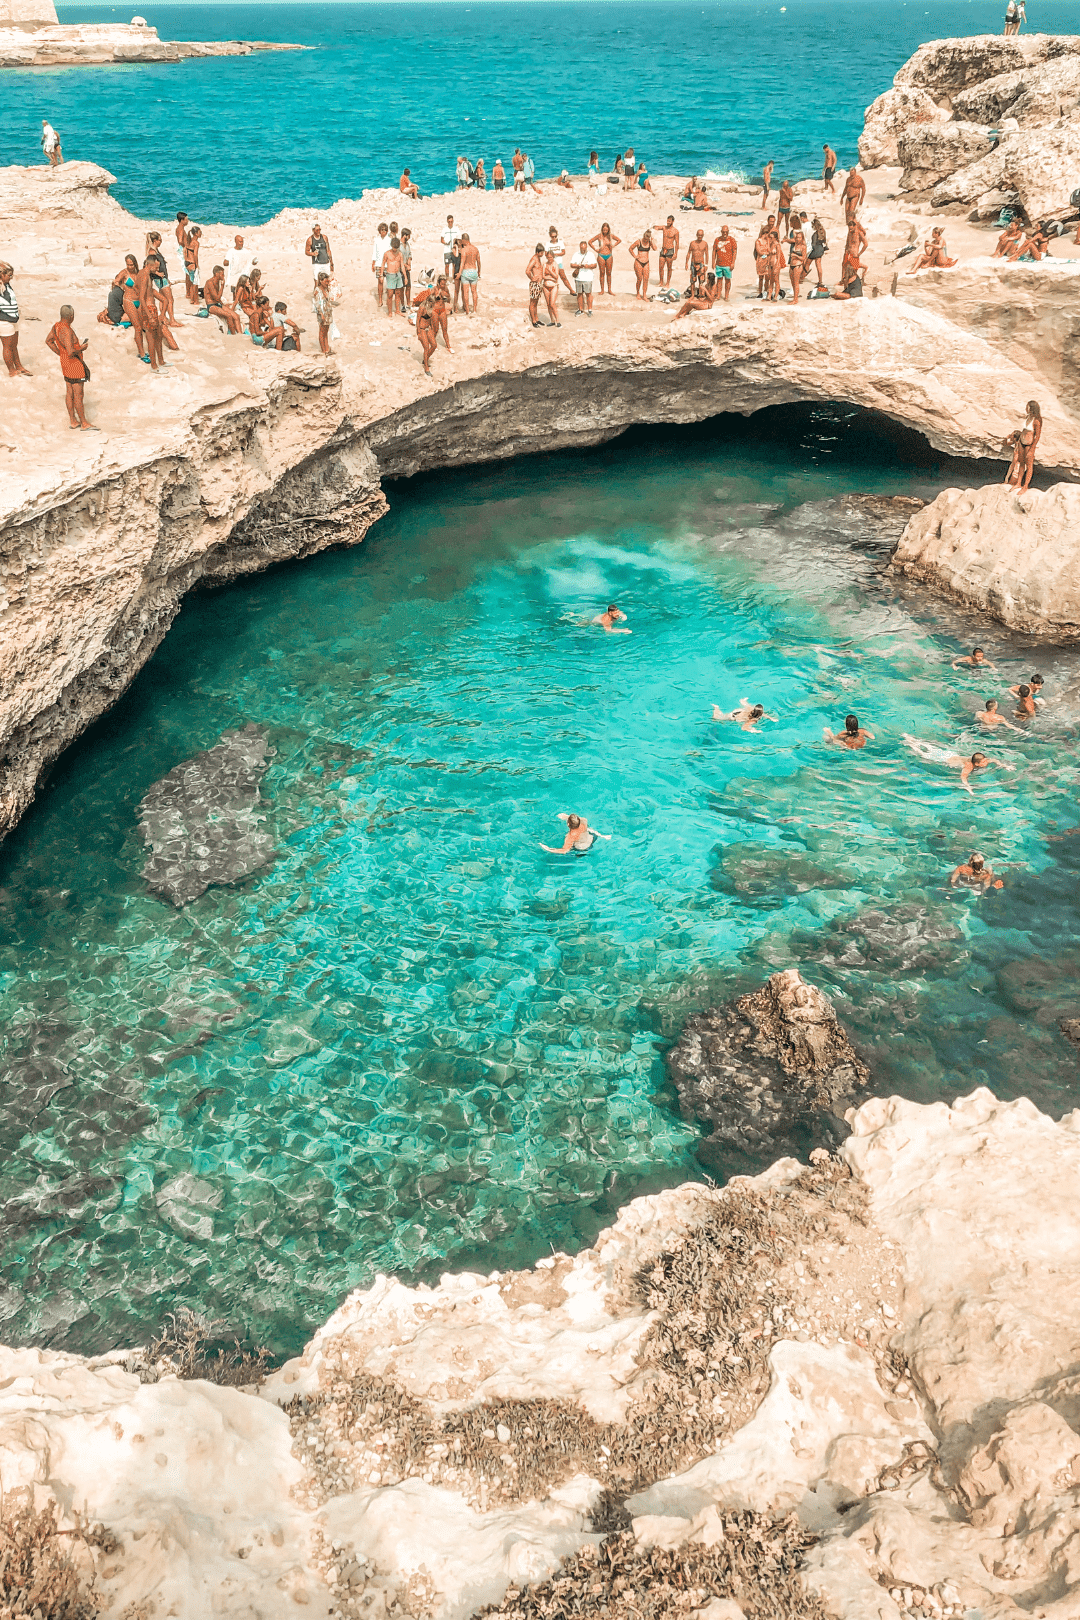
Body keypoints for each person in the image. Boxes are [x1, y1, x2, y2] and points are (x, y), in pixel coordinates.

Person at [902, 736, 1014, 793]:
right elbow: (963, 777)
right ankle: (910, 743)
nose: (986, 762)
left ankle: (912, 739)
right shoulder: (969, 766)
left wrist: (1005, 766)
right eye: (984, 762)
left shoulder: (981, 759)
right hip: (945, 760)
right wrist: (968, 788)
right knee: (923, 754)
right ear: (977, 763)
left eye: (985, 761)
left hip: (950, 754)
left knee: (932, 749)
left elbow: (994, 760)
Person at [45, 304, 95, 428]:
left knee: (69, 392)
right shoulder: (67, 330)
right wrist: (81, 348)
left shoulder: (56, 326)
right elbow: (71, 351)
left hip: (65, 364)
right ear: (71, 316)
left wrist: (59, 353)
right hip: (75, 365)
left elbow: (49, 341)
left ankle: (73, 420)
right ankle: (83, 422)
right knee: (78, 394)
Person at [0, 262, 30, 377]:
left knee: (13, 346)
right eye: (9, 275)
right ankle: (11, 371)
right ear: (2, 274)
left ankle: (19, 366)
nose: (11, 277)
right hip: (4, 321)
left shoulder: (7, 285)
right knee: (7, 346)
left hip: (13, 319)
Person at [1006, 401, 1042, 490]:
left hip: (1029, 444)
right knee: (1022, 463)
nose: (1026, 408)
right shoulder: (1028, 416)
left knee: (1029, 465)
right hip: (1022, 442)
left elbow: (1037, 436)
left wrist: (1032, 449)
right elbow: (1024, 430)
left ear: (1032, 408)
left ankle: (1025, 486)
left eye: (1028, 407)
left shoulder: (1037, 420)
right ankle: (1018, 483)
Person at [540, 812, 612, 856]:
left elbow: (564, 851)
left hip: (583, 848)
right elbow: (578, 820)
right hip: (592, 839)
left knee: (572, 851)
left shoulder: (570, 836)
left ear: (568, 824)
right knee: (589, 829)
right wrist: (567, 817)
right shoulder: (584, 821)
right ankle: (603, 836)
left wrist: (548, 849)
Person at [590, 224, 621, 295]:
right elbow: (590, 242)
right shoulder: (599, 236)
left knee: (609, 273)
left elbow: (619, 240)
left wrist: (613, 245)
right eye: (604, 230)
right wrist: (595, 249)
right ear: (602, 229)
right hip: (601, 255)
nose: (605, 231)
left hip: (609, 255)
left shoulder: (611, 236)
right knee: (602, 273)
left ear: (608, 230)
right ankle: (602, 290)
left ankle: (609, 289)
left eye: (606, 230)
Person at [712, 699, 778, 731]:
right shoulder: (753, 720)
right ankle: (716, 707)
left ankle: (743, 700)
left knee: (746, 705)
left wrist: (771, 718)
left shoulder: (752, 709)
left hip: (739, 711)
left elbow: (762, 714)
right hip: (733, 716)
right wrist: (754, 730)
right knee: (716, 718)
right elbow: (743, 727)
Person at [413, 287, 437, 374]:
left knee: (434, 345)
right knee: (426, 347)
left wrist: (433, 329)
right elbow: (418, 320)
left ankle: (425, 359)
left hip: (428, 328)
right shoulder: (422, 307)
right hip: (422, 328)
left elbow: (430, 319)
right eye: (432, 302)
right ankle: (426, 367)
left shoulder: (431, 307)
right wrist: (418, 332)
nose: (433, 304)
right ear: (429, 301)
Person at [571, 240, 597, 315]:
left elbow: (595, 265)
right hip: (579, 277)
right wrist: (578, 266)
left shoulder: (590, 254)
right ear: (579, 247)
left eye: (584, 248)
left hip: (588, 277)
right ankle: (580, 309)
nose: (583, 250)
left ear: (586, 247)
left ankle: (590, 309)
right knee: (579, 294)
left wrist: (588, 266)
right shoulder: (576, 254)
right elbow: (572, 264)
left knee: (588, 294)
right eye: (582, 248)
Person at [710, 227, 737, 301]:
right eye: (723, 232)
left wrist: (733, 263)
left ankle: (726, 296)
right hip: (719, 264)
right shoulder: (717, 240)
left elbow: (734, 252)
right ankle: (718, 295)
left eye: (726, 232)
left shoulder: (732, 240)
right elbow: (714, 251)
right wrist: (713, 262)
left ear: (728, 232)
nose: (725, 233)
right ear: (721, 232)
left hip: (728, 264)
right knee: (719, 280)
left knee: (728, 280)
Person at [383, 235, 406, 319]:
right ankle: (389, 312)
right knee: (389, 294)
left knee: (398, 293)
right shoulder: (387, 254)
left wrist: (405, 277)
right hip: (390, 275)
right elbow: (383, 265)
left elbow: (402, 266)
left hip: (398, 274)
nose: (395, 249)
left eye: (396, 247)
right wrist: (381, 275)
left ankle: (397, 310)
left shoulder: (400, 254)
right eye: (394, 247)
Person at [458, 234, 481, 313]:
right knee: (474, 292)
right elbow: (478, 262)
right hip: (474, 270)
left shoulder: (464, 250)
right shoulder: (475, 249)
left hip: (466, 271)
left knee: (466, 292)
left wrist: (459, 273)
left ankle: (467, 310)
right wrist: (479, 271)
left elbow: (462, 262)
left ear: (464, 240)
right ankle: (474, 310)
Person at [629, 232, 655, 301]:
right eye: (645, 239)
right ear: (644, 236)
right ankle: (638, 293)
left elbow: (655, 248)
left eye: (647, 239)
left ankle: (644, 295)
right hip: (638, 262)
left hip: (646, 262)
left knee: (646, 279)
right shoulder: (639, 241)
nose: (646, 241)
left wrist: (652, 241)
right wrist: (635, 256)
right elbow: (630, 248)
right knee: (639, 279)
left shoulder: (649, 242)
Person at [313, 271, 334, 354]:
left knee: (326, 331)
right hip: (322, 312)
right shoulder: (317, 290)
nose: (327, 283)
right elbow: (317, 304)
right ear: (321, 281)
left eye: (328, 281)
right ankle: (323, 350)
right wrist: (321, 314)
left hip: (328, 312)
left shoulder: (326, 289)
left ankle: (327, 348)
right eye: (326, 281)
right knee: (322, 331)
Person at [526, 243, 546, 327]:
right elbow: (527, 270)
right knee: (533, 302)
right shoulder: (534, 259)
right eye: (541, 253)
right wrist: (532, 278)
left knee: (536, 302)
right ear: (538, 252)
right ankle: (533, 321)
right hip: (534, 284)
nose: (543, 254)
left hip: (538, 283)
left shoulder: (538, 258)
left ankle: (536, 319)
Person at [371, 221, 391, 307]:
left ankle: (388, 299)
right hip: (379, 263)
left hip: (388, 264)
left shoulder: (389, 240)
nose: (383, 232)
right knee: (380, 281)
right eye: (382, 230)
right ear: (379, 231)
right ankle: (380, 299)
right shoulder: (376, 240)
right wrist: (373, 263)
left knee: (389, 282)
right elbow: (374, 252)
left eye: (385, 230)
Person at [685, 229, 709, 295]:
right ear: (696, 235)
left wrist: (706, 265)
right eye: (698, 235)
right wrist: (686, 263)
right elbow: (689, 253)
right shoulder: (692, 243)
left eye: (701, 235)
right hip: (693, 264)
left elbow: (707, 254)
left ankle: (700, 295)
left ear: (703, 235)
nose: (699, 236)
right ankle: (692, 295)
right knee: (692, 281)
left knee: (701, 281)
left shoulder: (705, 243)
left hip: (701, 264)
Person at [806, 217, 828, 287]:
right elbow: (824, 241)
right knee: (818, 266)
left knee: (807, 263)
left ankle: (801, 277)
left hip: (815, 250)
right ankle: (820, 281)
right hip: (821, 249)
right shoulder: (823, 231)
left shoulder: (815, 234)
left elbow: (813, 244)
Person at [787, 225, 807, 302]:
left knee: (796, 283)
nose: (798, 239)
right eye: (797, 237)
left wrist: (796, 256)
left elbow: (803, 258)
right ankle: (795, 297)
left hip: (798, 265)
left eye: (799, 237)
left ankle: (795, 299)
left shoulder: (803, 246)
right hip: (792, 264)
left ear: (802, 238)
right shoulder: (795, 245)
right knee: (792, 283)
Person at [541, 250, 561, 326]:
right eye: (548, 257)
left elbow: (556, 276)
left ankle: (557, 320)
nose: (549, 259)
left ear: (553, 257)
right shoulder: (545, 264)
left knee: (552, 304)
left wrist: (549, 271)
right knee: (548, 304)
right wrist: (550, 277)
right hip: (546, 286)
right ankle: (552, 320)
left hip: (553, 286)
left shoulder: (555, 264)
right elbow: (543, 276)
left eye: (551, 257)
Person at [182, 226, 202, 304]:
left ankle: (190, 297)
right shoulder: (196, 243)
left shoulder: (188, 241)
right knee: (195, 282)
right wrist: (197, 265)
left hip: (186, 262)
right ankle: (194, 300)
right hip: (192, 262)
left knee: (190, 281)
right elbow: (195, 255)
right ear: (196, 234)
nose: (201, 234)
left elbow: (184, 251)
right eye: (200, 232)